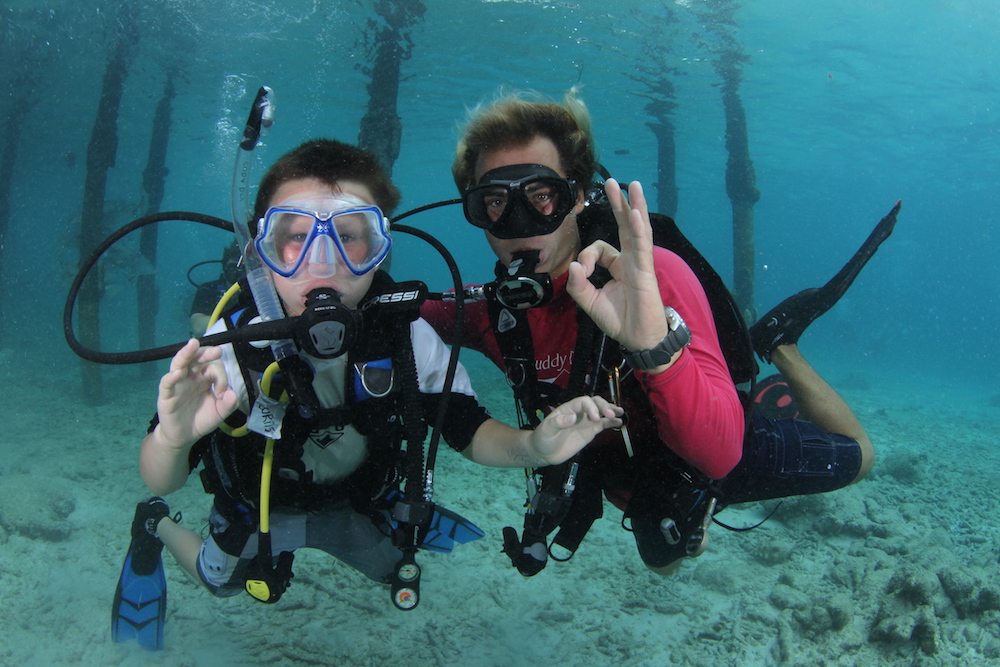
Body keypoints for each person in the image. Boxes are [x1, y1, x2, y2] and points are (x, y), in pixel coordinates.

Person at [123, 139, 623, 618]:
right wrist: (172, 438)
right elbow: (162, 475)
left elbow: (468, 431)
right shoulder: (231, 349)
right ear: (262, 252)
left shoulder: (409, 340)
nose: (321, 262)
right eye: (295, 237)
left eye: (349, 236)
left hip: (359, 502)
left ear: (379, 248)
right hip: (259, 511)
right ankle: (155, 522)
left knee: (394, 571)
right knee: (222, 583)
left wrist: (533, 446)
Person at [421, 90, 883, 576]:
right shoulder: (488, 313)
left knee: (862, 456)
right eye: (494, 201)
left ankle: (779, 348)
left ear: (577, 197)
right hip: (616, 471)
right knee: (665, 561)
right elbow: (395, 312)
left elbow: (722, 455)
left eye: (541, 196)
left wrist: (654, 347)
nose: (518, 224)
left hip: (698, 448)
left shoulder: (648, 277)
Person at [188, 241, 243, 337]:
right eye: (232, 270)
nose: (237, 276)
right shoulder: (209, 289)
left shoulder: (261, 290)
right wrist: (241, 321)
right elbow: (198, 327)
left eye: (243, 270)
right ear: (224, 269)